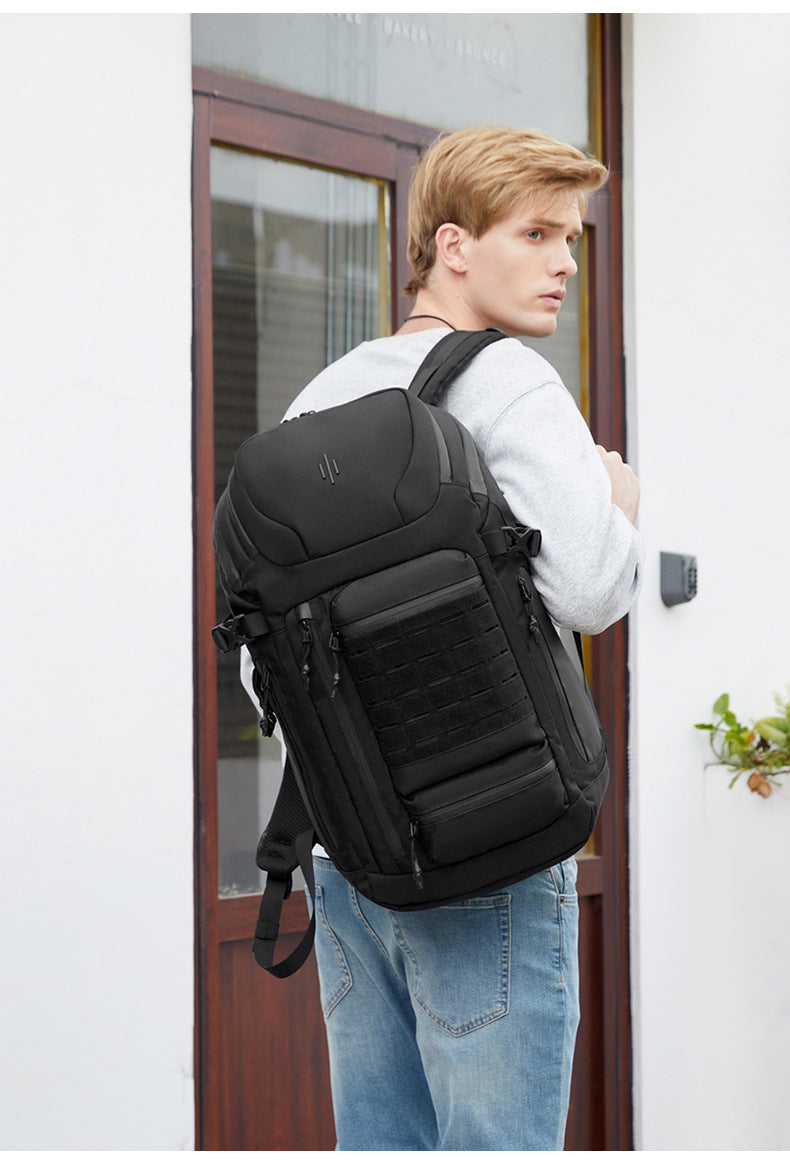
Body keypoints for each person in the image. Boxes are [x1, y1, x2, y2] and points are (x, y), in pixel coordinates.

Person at [244, 125, 643, 1150]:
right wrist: (615, 503)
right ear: (453, 246)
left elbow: (264, 665)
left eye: (572, 238)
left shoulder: (319, 398)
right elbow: (593, 589)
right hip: (492, 857)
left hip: (349, 859)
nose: (564, 263)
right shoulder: (510, 382)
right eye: (536, 233)